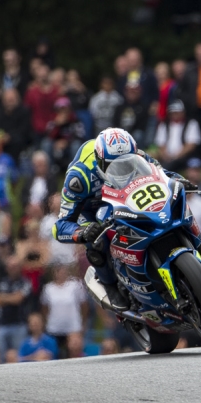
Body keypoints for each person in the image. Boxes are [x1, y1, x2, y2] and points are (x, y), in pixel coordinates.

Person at [53, 128, 191, 311]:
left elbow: (162, 175)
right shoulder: (78, 177)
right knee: (97, 240)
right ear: (101, 161)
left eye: (128, 162)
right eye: (113, 164)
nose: (123, 168)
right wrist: (81, 232)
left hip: (124, 195)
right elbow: (60, 226)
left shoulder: (139, 155)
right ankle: (110, 285)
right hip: (89, 209)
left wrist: (179, 180)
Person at [40, 263, 88, 356]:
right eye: (58, 272)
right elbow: (44, 308)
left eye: (63, 271)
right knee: (54, 353)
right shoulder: (48, 288)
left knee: (74, 352)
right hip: (54, 327)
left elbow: (84, 305)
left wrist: (83, 322)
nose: (61, 274)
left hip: (73, 326)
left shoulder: (75, 286)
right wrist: (45, 322)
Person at [153, 101, 201, 170]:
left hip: (184, 156)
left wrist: (177, 156)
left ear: (183, 112)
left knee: (170, 166)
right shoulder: (164, 125)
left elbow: (191, 145)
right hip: (167, 157)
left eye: (177, 112)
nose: (175, 115)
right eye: (173, 113)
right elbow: (161, 144)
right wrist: (165, 155)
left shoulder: (191, 124)